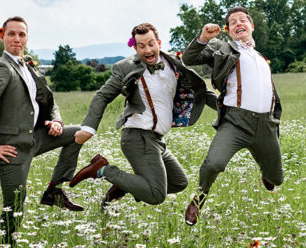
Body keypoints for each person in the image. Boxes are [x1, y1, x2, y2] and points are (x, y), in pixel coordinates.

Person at [69, 22, 211, 210]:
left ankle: (124, 185)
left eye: (151, 43)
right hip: (138, 136)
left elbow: (200, 90)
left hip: (157, 139)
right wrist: (88, 127)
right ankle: (103, 169)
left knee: (178, 182)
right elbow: (102, 96)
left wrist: (225, 106)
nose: (148, 50)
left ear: (159, 42)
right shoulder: (126, 68)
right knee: (155, 195)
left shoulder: (172, 64)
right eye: (141, 46)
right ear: (135, 48)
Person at [0, 16, 85, 248]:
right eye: (11, 34)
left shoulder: (27, 66)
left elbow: (49, 100)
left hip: (35, 138)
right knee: (14, 206)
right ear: (2, 36)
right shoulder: (2, 67)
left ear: (27, 37)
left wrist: (56, 121)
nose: (16, 39)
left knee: (78, 133)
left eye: (21, 34)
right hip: (12, 148)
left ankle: (54, 190)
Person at [180, 6, 283, 225]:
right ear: (228, 30)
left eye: (242, 20)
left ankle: (266, 170)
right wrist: (204, 38)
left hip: (265, 124)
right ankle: (199, 198)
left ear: (251, 26)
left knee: (277, 179)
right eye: (233, 22)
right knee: (213, 164)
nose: (238, 24)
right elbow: (190, 58)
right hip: (235, 123)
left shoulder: (260, 58)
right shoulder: (222, 49)